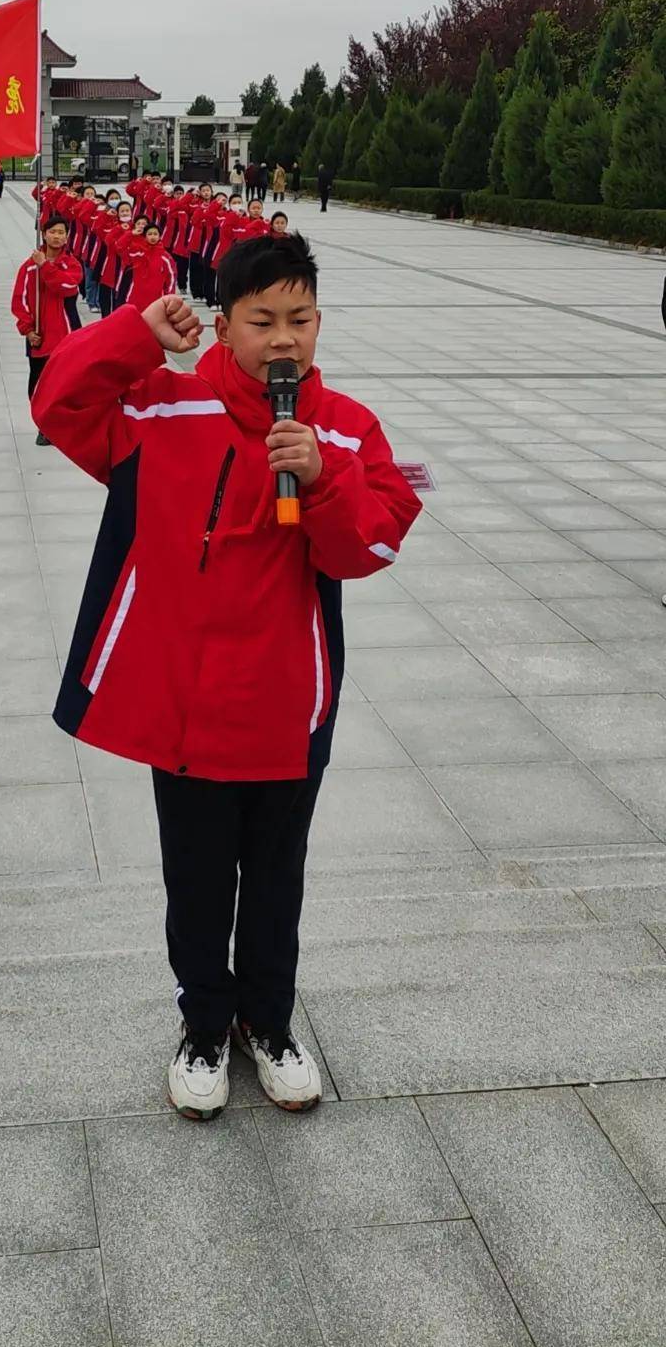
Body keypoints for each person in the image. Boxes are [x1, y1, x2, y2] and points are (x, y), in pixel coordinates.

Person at [32, 232, 420, 1117]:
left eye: (300, 319)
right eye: (262, 321)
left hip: (287, 704)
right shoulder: (162, 410)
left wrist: (323, 482)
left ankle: (270, 1024)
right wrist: (135, 333)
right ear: (224, 324)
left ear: (320, 323)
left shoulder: (344, 428)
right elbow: (56, 403)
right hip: (187, 705)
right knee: (198, 878)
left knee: (277, 876)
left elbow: (376, 543)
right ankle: (205, 1026)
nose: (284, 340)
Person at [11, 216, 83, 444]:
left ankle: (62, 424)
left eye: (62, 232)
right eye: (52, 231)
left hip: (66, 334)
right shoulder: (28, 267)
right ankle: (43, 424)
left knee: (66, 382)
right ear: (44, 234)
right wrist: (28, 329)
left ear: (67, 237)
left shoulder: (71, 264)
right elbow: (19, 301)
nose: (57, 236)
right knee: (38, 383)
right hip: (39, 336)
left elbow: (67, 288)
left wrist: (45, 266)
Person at [123, 220, 177, 312]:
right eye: (150, 234)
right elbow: (120, 247)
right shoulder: (138, 252)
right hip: (135, 300)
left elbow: (171, 278)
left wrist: (169, 297)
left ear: (160, 236)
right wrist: (131, 234)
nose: (153, 236)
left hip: (156, 302)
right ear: (145, 236)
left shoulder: (165, 257)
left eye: (155, 234)